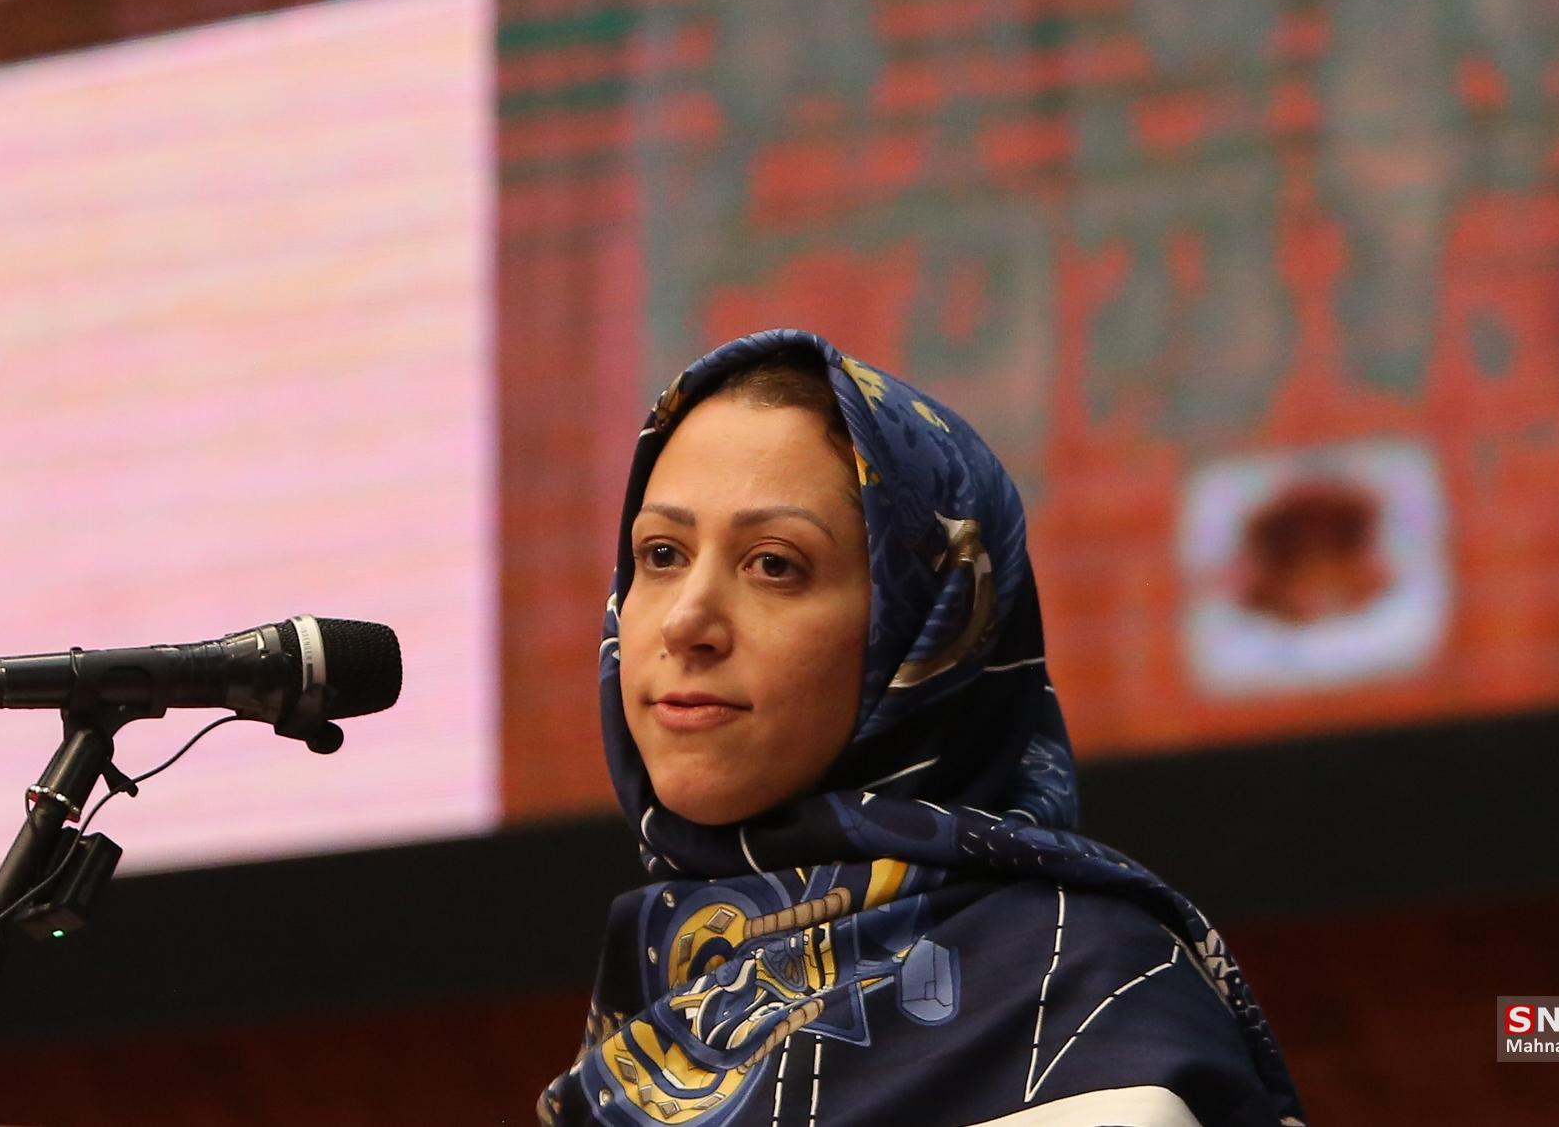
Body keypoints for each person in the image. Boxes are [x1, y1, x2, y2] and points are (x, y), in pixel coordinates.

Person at [539, 328, 1306, 1127]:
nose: (685, 621)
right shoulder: (654, 999)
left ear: (930, 626)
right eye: (661, 554)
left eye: (774, 564)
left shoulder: (1083, 998)